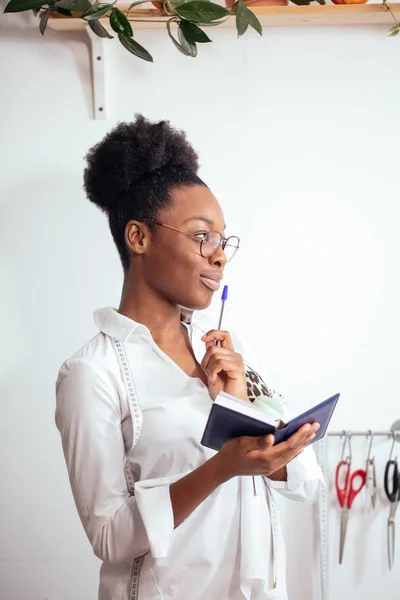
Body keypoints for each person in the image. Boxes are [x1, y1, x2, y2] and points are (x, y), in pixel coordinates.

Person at [55, 115, 323, 600]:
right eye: (202, 237)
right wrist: (222, 467)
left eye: (223, 241)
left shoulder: (226, 351)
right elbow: (110, 536)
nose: (219, 256)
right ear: (139, 237)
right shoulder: (92, 373)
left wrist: (245, 412)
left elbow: (306, 481)